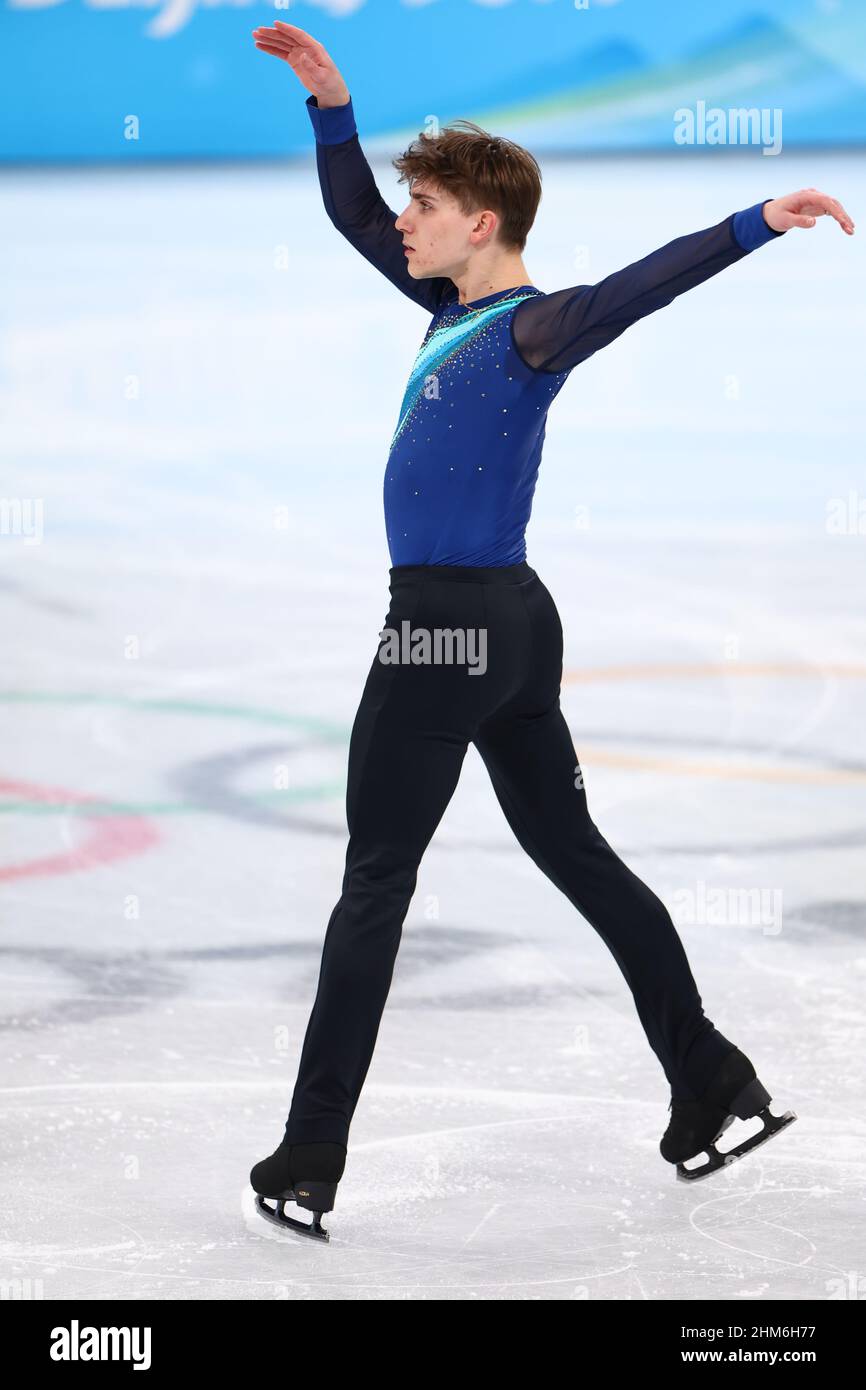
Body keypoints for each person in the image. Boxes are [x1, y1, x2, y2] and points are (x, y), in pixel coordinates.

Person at [247, 22, 854, 1239]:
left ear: (483, 222)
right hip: (515, 629)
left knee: (373, 886)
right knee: (573, 853)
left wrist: (753, 222)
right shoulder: (441, 306)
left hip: (440, 635)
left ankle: (309, 1152)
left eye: (423, 205)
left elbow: (639, 286)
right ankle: (711, 1083)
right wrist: (331, 107)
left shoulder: (532, 326)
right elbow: (350, 219)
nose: (401, 221)